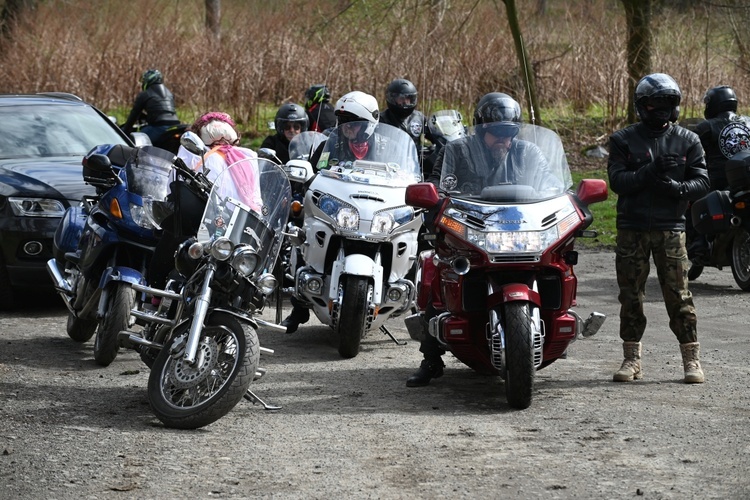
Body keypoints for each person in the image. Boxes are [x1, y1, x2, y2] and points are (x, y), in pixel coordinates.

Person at [406, 92, 563, 387]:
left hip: (520, 229)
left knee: (559, 263)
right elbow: (440, 188)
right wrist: (433, 205)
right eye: (497, 134)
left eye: (510, 133)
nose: (504, 140)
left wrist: (572, 203)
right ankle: (430, 358)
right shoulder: (457, 150)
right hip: (471, 229)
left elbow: (552, 184)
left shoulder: (528, 152)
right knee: (436, 273)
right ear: (480, 130)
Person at [607, 73, 709, 385]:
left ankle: (691, 361)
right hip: (632, 228)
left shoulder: (688, 140)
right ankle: (631, 359)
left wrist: (677, 188)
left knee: (679, 295)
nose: (661, 109)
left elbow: (703, 182)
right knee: (631, 297)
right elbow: (617, 181)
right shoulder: (623, 140)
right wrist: (648, 173)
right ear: (642, 106)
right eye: (654, 103)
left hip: (671, 229)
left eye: (667, 103)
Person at [281, 90, 382, 334]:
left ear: (369, 124)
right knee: (304, 237)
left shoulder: (385, 146)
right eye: (343, 121)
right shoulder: (330, 143)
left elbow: (403, 173)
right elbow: (313, 172)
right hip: (338, 207)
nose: (346, 127)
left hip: (373, 211)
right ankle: (300, 306)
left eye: (353, 123)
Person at [148, 111, 262, 292]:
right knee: (174, 239)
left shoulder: (237, 156)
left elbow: (172, 186)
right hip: (232, 224)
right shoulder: (246, 156)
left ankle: (155, 292)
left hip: (208, 221)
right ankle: (158, 290)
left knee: (173, 236)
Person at [688, 86, 750, 265]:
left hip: (716, 179)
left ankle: (698, 244)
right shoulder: (748, 122)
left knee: (690, 200)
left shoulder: (707, 126)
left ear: (713, 104)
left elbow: (687, 144)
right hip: (744, 177)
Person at [379, 78, 436, 177]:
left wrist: (440, 144)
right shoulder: (381, 119)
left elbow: (435, 135)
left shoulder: (419, 118)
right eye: (401, 99)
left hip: (415, 167)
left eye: (408, 99)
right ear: (392, 99)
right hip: (389, 167)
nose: (405, 102)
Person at [121, 69, 181, 143]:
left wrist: (125, 132)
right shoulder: (169, 93)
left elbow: (134, 115)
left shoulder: (145, 94)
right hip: (175, 125)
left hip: (158, 127)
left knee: (135, 140)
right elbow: (163, 111)